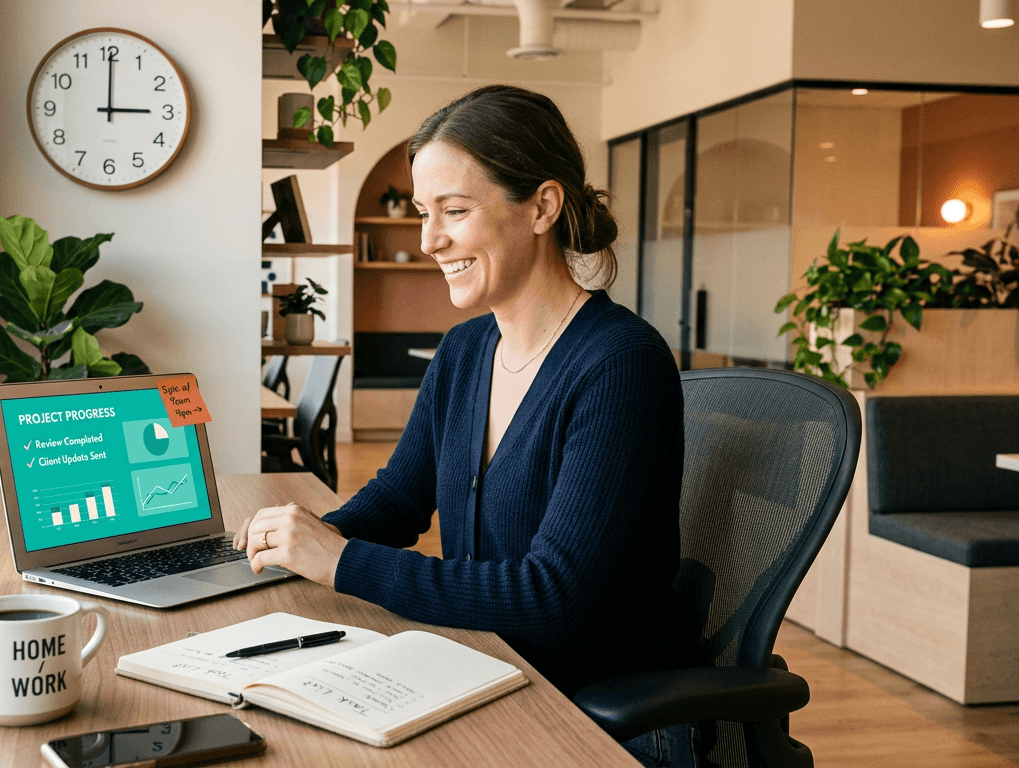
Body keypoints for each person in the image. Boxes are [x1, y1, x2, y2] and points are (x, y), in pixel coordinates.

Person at [235, 85, 697, 766]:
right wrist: (306, 541)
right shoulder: (464, 349)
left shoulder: (620, 365)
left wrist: (341, 562)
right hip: (484, 667)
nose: (429, 240)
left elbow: (552, 596)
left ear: (542, 206)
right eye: (424, 213)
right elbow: (399, 498)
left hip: (589, 714)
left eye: (454, 211)